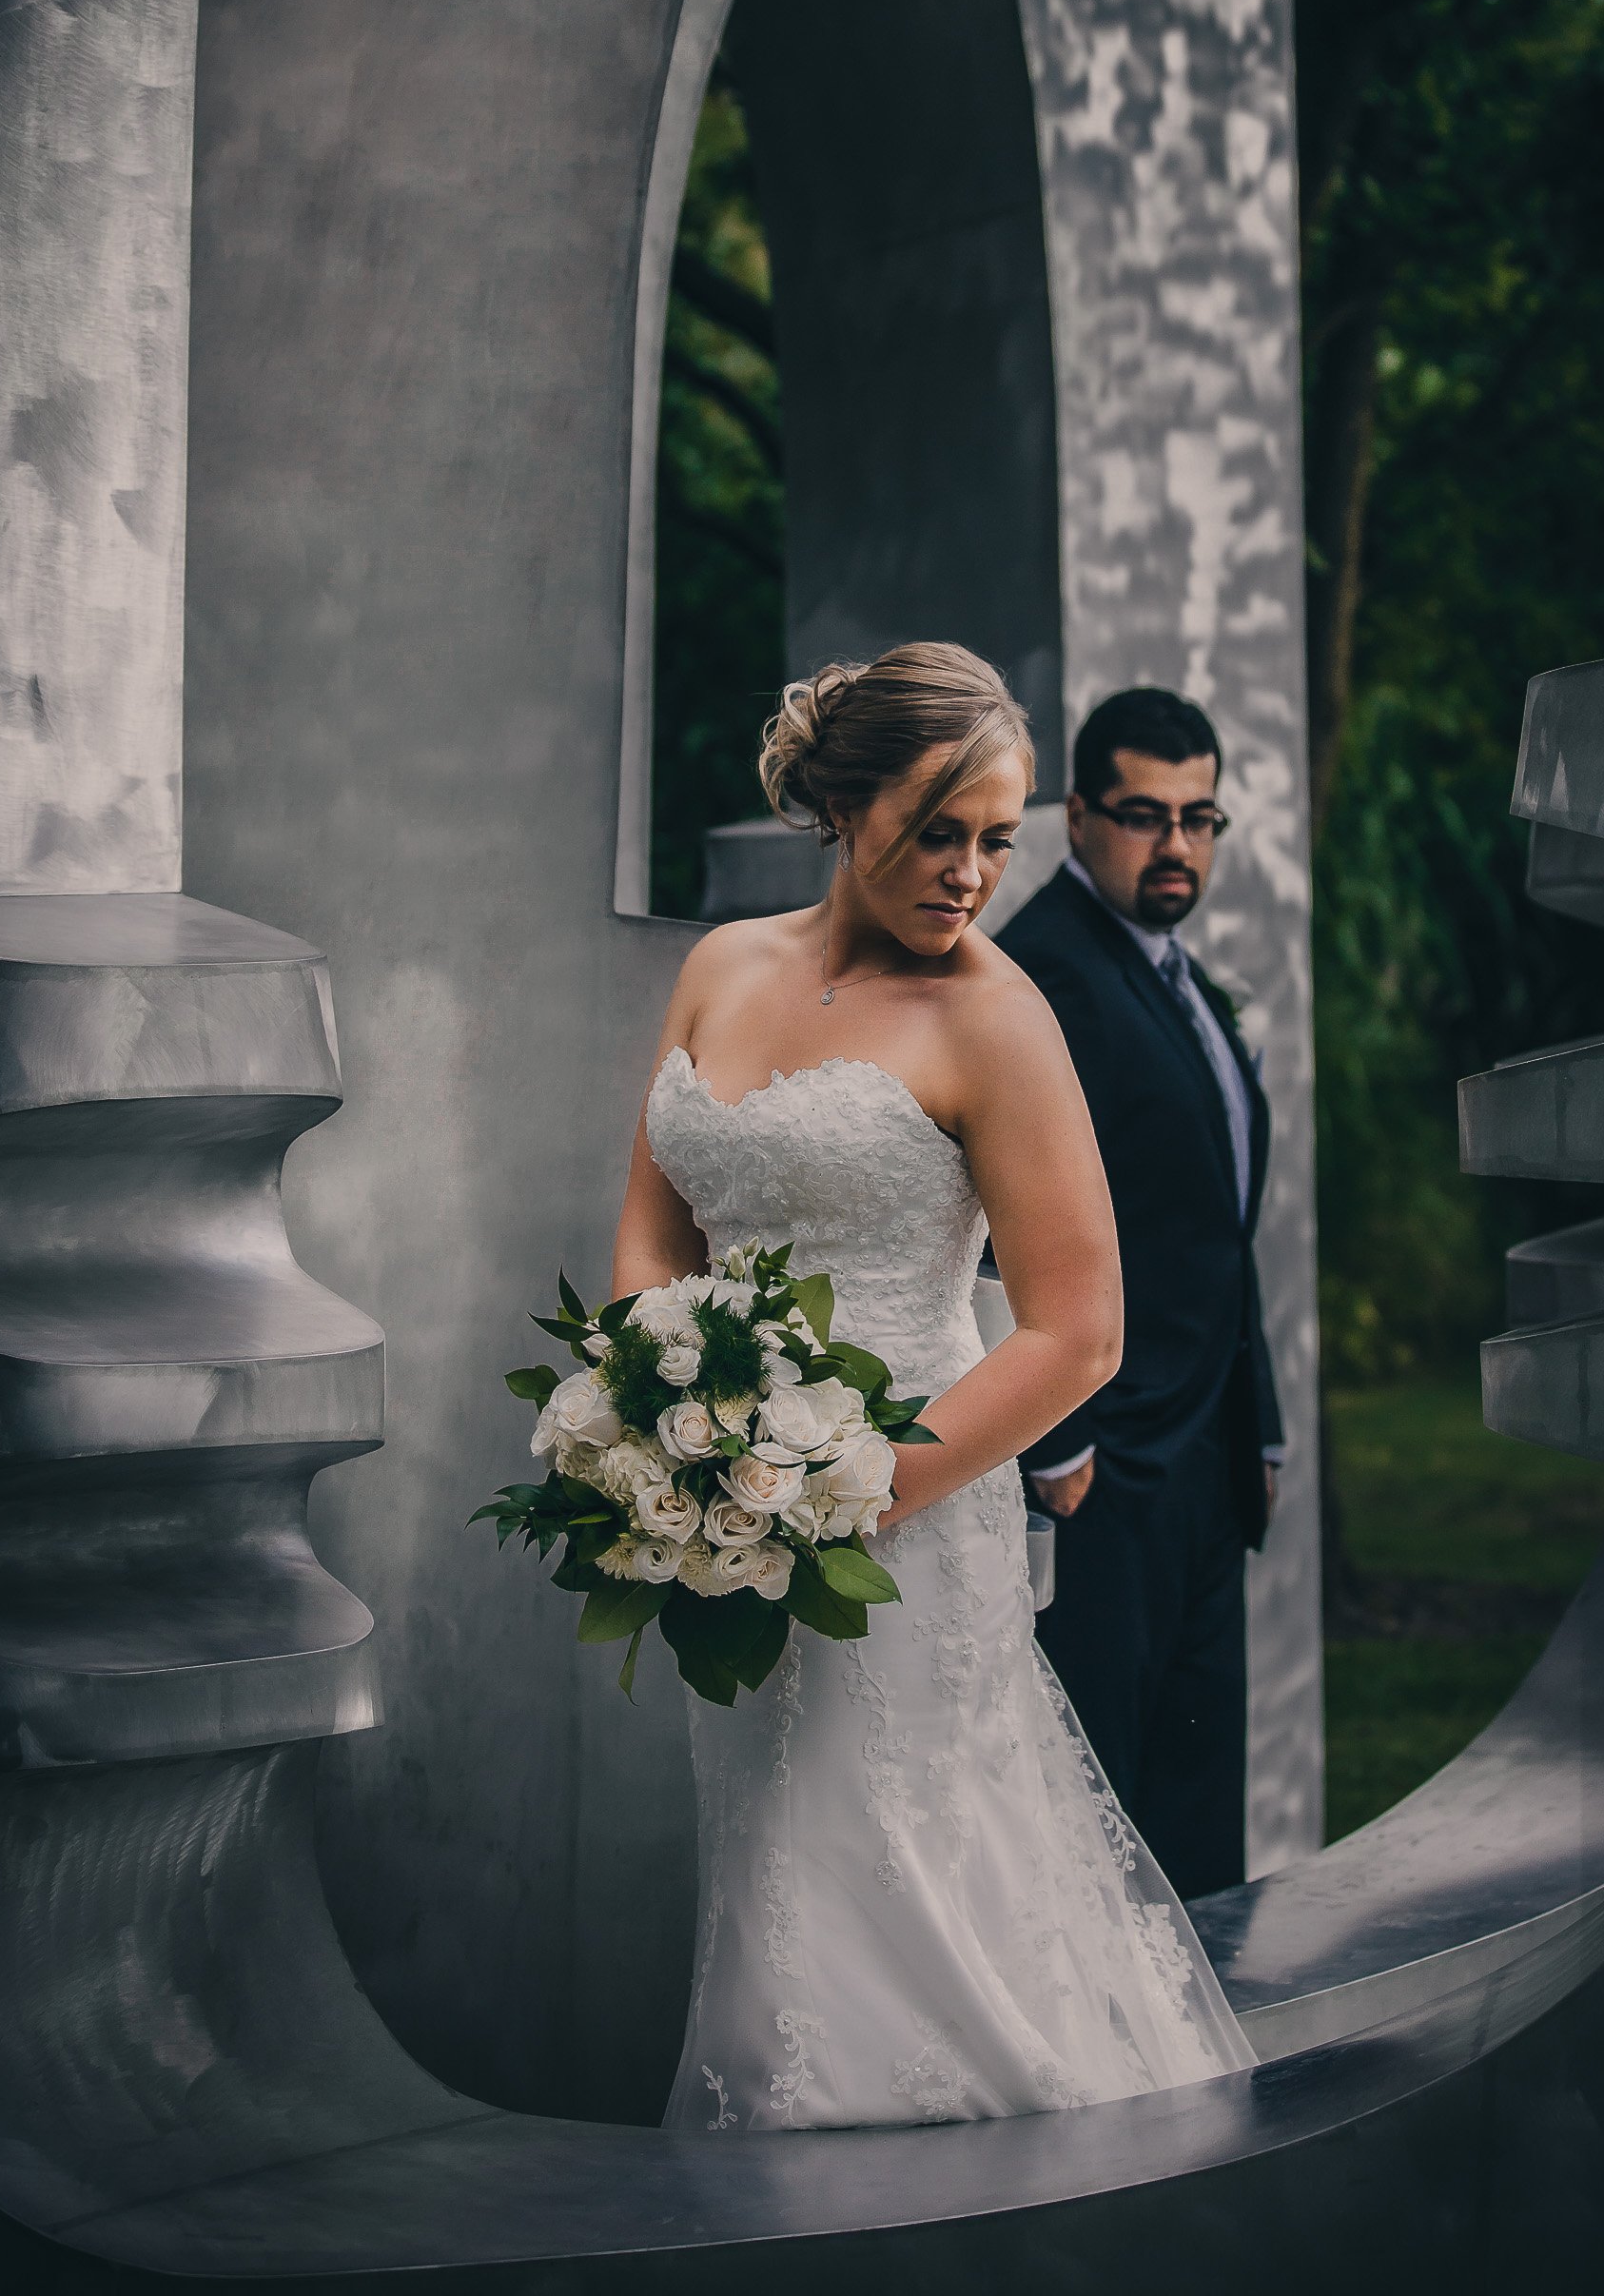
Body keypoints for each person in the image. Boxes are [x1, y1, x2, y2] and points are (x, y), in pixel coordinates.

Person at [613, 642, 1254, 2133]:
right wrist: (675, 1444)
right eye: (938, 831)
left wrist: (837, 1493)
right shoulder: (722, 969)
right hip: (731, 1511)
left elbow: (1079, 1332)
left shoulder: (999, 1017)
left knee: (901, 1860)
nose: (971, 874)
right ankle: (781, 2172)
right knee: (771, 1854)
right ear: (843, 805)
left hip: (905, 1508)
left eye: (998, 840)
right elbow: (655, 1230)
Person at [996, 689, 1283, 1903]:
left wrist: (1255, 1418)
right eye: (1142, 817)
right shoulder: (1040, 978)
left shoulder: (1178, 979)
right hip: (1101, 1467)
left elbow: (1212, 1230)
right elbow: (1000, 1221)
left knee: (1192, 1801)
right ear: (1076, 816)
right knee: (1098, 1810)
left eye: (1197, 817)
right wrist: (1055, 1445)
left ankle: (1209, 2049)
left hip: (1205, 1458)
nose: (1175, 846)